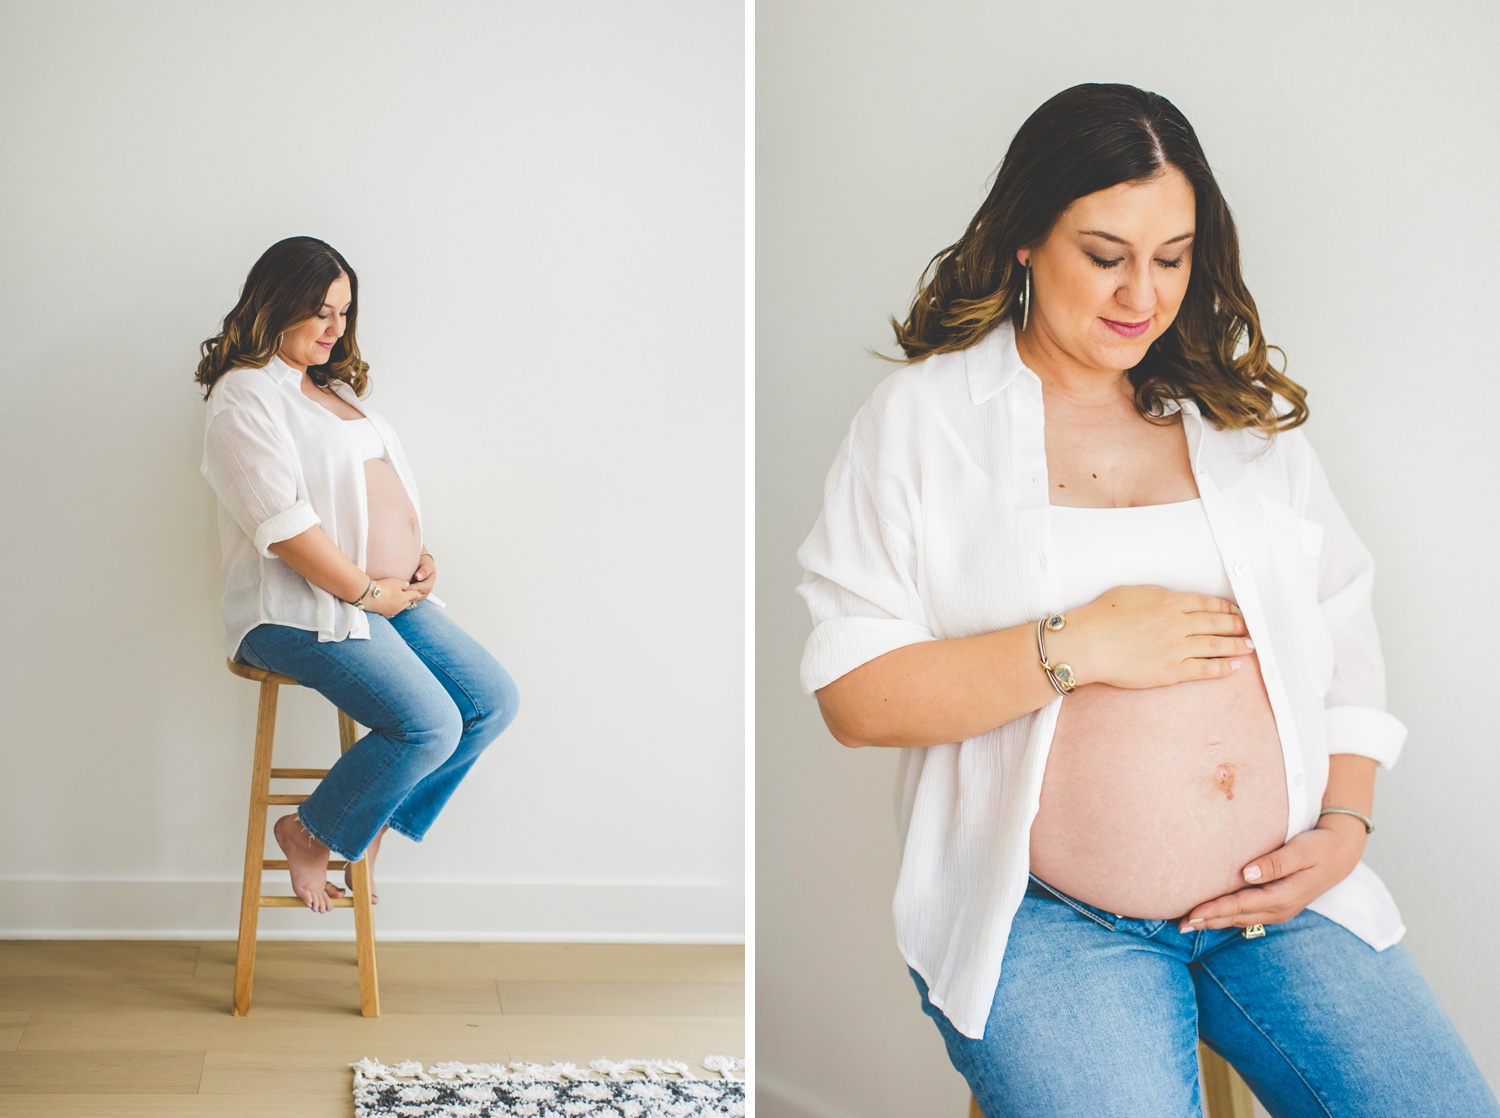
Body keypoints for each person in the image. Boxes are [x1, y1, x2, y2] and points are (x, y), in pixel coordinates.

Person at [796, 84, 1497, 1115]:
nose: (1143, 294)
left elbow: (1343, 617)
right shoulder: (925, 418)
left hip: (1282, 898)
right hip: (1052, 918)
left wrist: (1345, 819)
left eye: (1172, 257)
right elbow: (856, 694)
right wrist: (1073, 645)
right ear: (1026, 236)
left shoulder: (1234, 411)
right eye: (1106, 253)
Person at [198, 236, 519, 914]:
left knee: (490, 701)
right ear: (275, 302)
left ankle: (365, 825)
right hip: (294, 607)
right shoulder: (245, 395)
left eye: (344, 312)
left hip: (380, 599)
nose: (334, 327)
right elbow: (282, 528)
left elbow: (366, 493)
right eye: (319, 310)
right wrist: (369, 589)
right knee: (430, 724)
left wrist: (415, 557)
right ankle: (310, 830)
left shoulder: (332, 388)